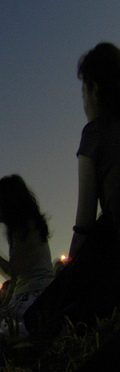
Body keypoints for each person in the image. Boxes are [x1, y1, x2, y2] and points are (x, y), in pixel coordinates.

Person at [26, 42, 120, 340]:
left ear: (94, 90)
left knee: (39, 319)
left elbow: (85, 222)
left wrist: (68, 273)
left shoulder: (95, 133)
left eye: (83, 92)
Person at [0, 175, 55, 334]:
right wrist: (3, 307)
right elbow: (16, 278)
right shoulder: (25, 226)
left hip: (34, 296)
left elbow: (13, 271)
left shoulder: (25, 228)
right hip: (38, 292)